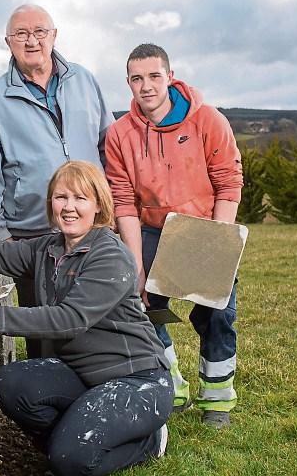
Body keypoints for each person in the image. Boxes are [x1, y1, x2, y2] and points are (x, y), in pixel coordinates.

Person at [0, 161, 173, 476]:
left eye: (80, 198)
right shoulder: (48, 247)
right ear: (51, 204)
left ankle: (149, 441)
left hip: (135, 379)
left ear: (99, 205)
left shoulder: (110, 255)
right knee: (12, 383)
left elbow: (70, 319)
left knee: (70, 461)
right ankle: (72, 441)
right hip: (81, 374)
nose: (69, 207)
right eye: (61, 197)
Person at [104, 43, 243, 429]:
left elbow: (229, 183)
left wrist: (216, 242)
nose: (146, 86)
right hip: (150, 229)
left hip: (203, 226)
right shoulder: (119, 133)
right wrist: (135, 265)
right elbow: (123, 202)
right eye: (136, 78)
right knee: (143, 307)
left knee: (217, 313)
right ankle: (171, 385)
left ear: (170, 76)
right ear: (128, 83)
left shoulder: (208, 120)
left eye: (153, 76)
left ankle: (217, 398)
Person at [0, 4, 115, 359]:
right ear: (8, 42)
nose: (31, 40)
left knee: (98, 321)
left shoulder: (84, 80)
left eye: (39, 32)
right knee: (41, 327)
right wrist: (2, 239)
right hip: (33, 235)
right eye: (21, 34)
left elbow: (108, 144)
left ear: (54, 36)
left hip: (93, 226)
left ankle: (97, 389)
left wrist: (114, 210)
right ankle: (44, 401)